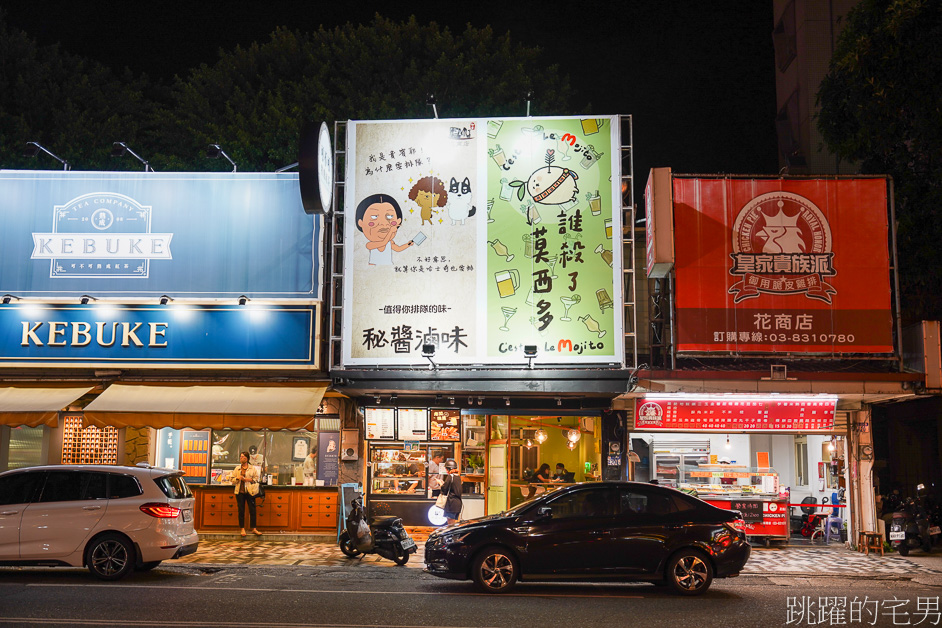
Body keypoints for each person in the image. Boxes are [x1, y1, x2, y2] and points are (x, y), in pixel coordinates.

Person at [355, 194, 415, 265]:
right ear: (361, 223)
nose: (383, 223)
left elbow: (398, 249)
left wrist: (408, 244)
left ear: (398, 221)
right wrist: (390, 232)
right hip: (372, 270)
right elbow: (383, 243)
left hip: (388, 270)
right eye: (374, 217)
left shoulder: (390, 243)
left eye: (390, 216)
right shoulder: (370, 244)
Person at [231, 451, 261, 537]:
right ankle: (242, 528)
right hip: (239, 492)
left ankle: (254, 528)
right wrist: (238, 478)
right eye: (240, 457)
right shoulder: (237, 469)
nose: (241, 458)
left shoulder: (252, 468)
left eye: (243, 457)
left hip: (250, 491)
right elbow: (232, 479)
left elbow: (256, 479)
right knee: (241, 510)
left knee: (252, 510)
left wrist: (247, 479)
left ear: (247, 458)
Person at [440, 459, 463, 525]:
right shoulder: (458, 477)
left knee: (450, 523)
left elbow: (444, 489)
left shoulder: (450, 476)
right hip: (457, 503)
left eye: (446, 469)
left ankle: (452, 535)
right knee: (453, 522)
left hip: (451, 503)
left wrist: (441, 484)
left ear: (448, 469)